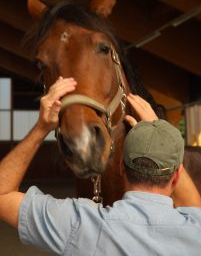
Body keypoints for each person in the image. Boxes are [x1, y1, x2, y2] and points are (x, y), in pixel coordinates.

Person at [0, 77, 200, 255]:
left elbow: (2, 194)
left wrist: (41, 127)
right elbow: (194, 206)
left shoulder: (80, 226)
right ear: (177, 176)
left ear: (121, 167)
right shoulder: (196, 231)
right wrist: (159, 133)